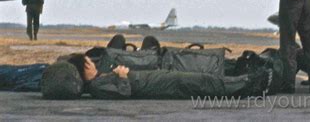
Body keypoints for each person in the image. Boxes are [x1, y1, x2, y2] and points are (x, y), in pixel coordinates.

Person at [65, 53, 271, 99]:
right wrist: (122, 76)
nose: (92, 62)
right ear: (84, 68)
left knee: (204, 81)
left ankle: (247, 83)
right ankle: (248, 85)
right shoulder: (96, 87)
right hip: (158, 86)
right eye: (89, 62)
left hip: (158, 80)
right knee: (204, 84)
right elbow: (123, 93)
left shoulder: (98, 81)